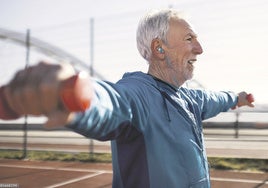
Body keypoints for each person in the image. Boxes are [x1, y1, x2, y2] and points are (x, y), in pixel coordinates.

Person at [2, 9, 254, 188]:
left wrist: (237, 97)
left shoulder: (191, 99)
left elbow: (216, 98)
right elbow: (110, 102)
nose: (200, 49)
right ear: (159, 48)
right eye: (189, 39)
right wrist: (68, 93)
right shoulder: (138, 94)